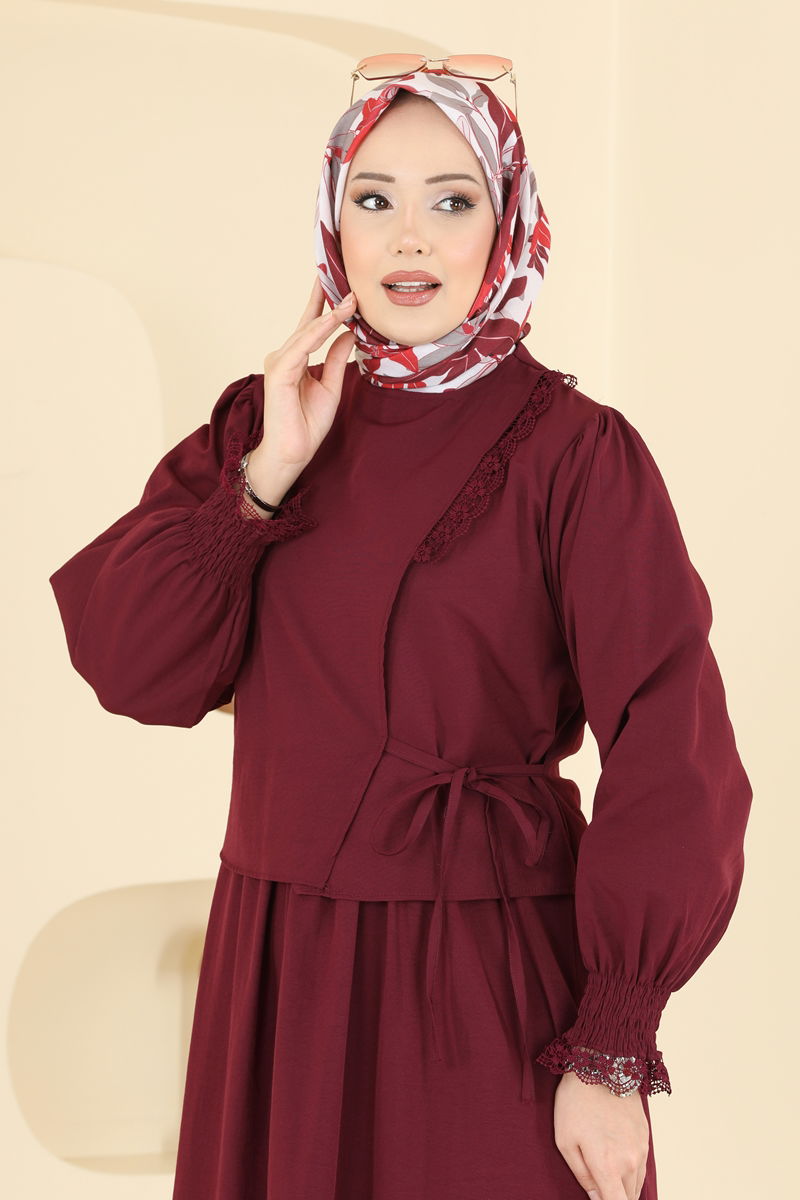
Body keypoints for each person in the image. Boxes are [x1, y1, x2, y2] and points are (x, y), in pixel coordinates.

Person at [48, 66, 753, 1200]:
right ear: (334, 221)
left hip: (482, 983)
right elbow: (133, 669)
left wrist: (611, 1048)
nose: (408, 237)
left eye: (452, 200)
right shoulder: (261, 421)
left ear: (506, 222)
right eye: (372, 199)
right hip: (277, 977)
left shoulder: (576, 455)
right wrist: (266, 477)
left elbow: (676, 749)